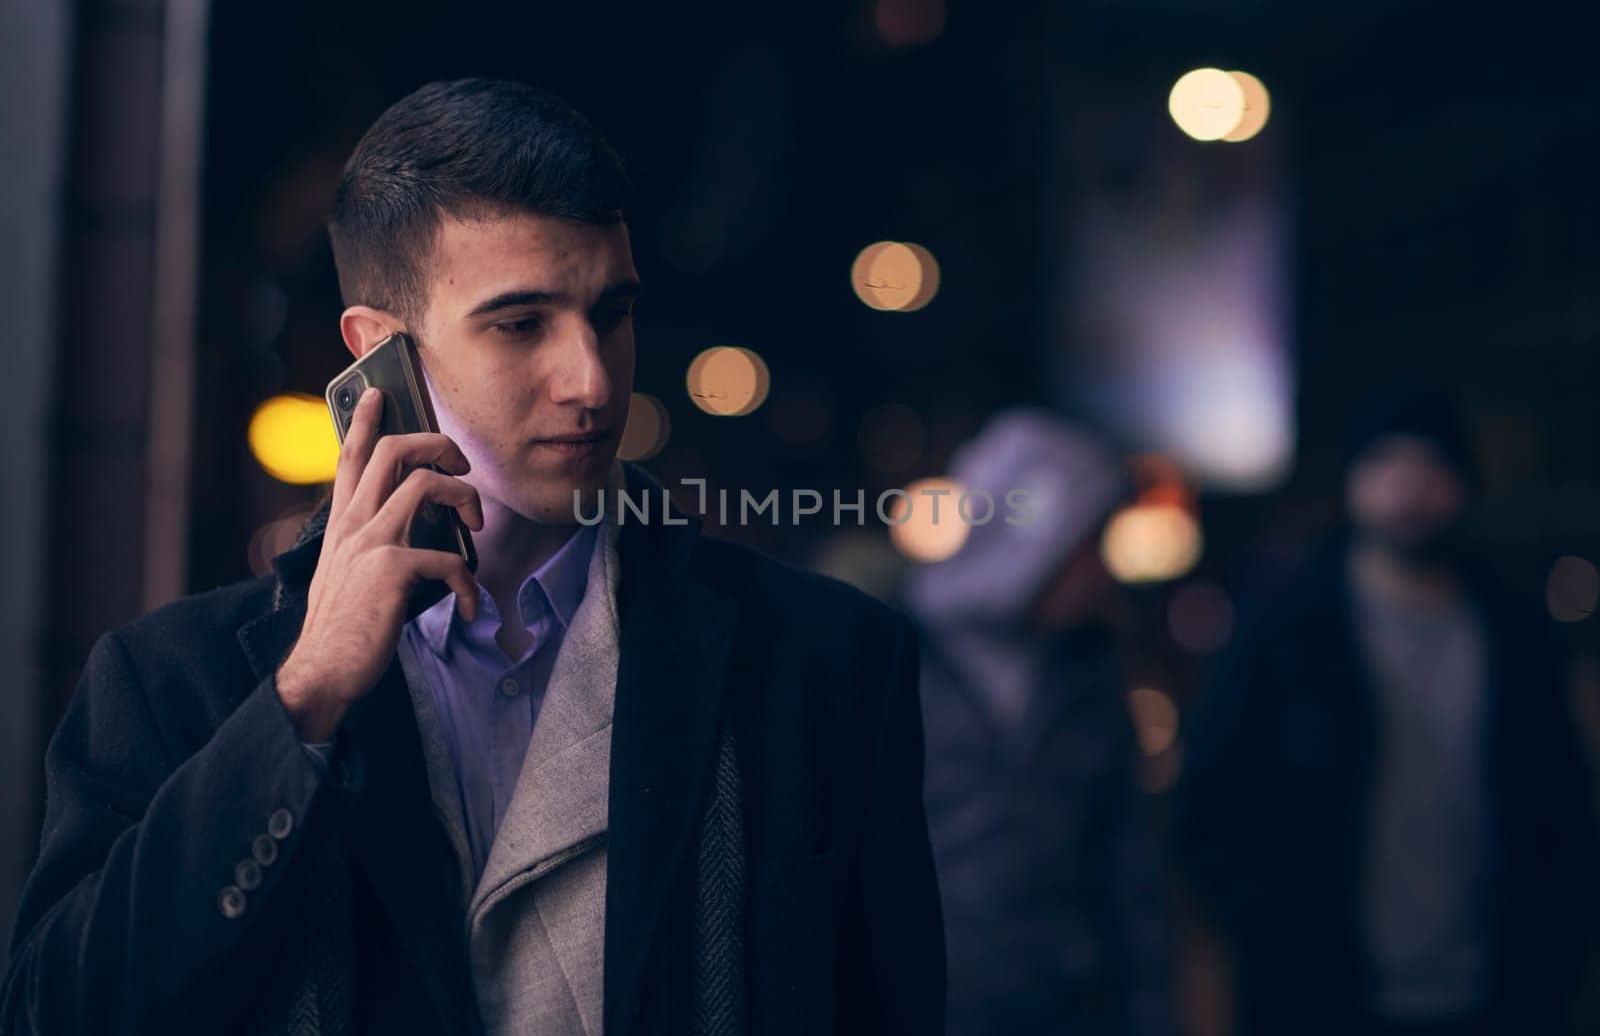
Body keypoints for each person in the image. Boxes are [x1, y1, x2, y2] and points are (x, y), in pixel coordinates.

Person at [1, 79, 944, 1035]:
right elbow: (58, 1012)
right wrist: (305, 697)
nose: (590, 380)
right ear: (381, 354)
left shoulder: (826, 661)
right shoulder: (170, 679)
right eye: (521, 323)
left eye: (610, 313)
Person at [1177, 396, 1598, 1036]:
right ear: (1352, 482)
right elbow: (1212, 803)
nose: (1408, 487)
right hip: (1321, 994)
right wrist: (1274, 931)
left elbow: (1557, 805)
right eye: (1385, 464)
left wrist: (1554, 954)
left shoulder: (1512, 633)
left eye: (1431, 466)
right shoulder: (1287, 630)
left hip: (1493, 990)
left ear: (1463, 485)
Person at [905, 409, 1174, 1036]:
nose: (1104, 575)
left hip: (1070, 1005)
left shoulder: (1091, 674)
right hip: (932, 1006)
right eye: (1090, 548)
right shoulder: (894, 662)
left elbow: (1129, 874)